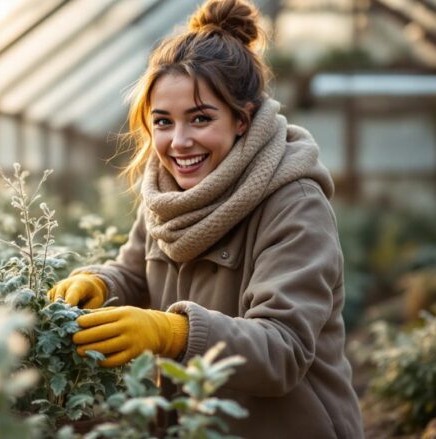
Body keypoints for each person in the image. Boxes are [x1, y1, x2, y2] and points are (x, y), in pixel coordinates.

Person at [48, 0, 364, 437]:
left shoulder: (294, 202)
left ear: (242, 120)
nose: (179, 142)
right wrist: (101, 284)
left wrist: (173, 332)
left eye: (200, 118)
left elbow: (283, 350)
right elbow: (136, 272)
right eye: (163, 121)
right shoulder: (167, 195)